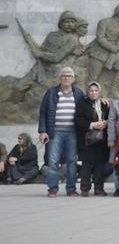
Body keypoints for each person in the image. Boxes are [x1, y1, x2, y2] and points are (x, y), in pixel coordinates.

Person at [39, 66, 87, 197]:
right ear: (60, 78)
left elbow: (88, 105)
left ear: (73, 79)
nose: (66, 78)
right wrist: (42, 131)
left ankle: (71, 189)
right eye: (64, 76)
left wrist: (105, 101)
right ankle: (53, 188)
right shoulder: (51, 92)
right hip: (55, 132)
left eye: (69, 76)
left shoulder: (78, 93)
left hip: (72, 132)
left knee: (72, 160)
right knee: (53, 160)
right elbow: (43, 111)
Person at [74, 82, 111, 196]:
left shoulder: (104, 104)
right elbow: (78, 120)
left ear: (99, 92)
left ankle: (99, 188)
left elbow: (111, 117)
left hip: (101, 139)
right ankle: (85, 188)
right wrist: (92, 124)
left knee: (100, 164)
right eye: (91, 91)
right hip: (88, 139)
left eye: (96, 91)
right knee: (87, 164)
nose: (94, 93)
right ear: (88, 92)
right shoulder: (82, 104)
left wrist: (106, 122)